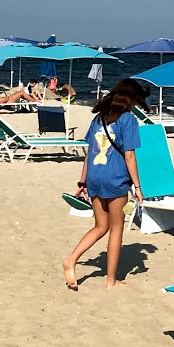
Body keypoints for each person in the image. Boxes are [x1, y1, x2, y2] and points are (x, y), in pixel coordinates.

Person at [61, 77, 149, 290]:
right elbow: (129, 155)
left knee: (100, 226)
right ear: (130, 99)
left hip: (94, 176)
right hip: (116, 178)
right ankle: (111, 281)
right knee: (116, 229)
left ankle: (71, 259)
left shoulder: (98, 119)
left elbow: (88, 154)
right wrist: (137, 187)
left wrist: (82, 181)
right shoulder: (128, 120)